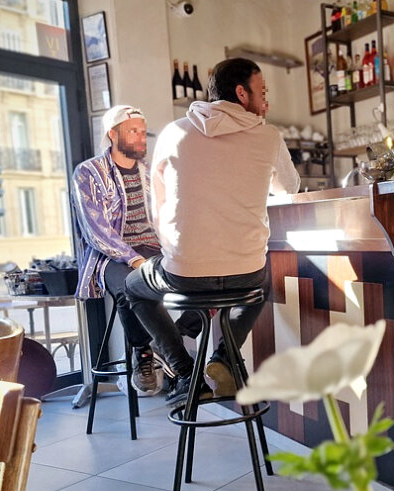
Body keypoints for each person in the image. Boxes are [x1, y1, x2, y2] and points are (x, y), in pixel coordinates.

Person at [126, 58, 300, 407]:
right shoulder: (268, 135)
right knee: (262, 280)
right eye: (262, 92)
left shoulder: (174, 132)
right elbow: (289, 188)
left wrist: (179, 246)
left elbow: (153, 209)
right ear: (241, 92)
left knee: (135, 291)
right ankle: (223, 360)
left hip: (184, 275)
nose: (266, 102)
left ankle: (186, 371)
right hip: (246, 274)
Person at [71, 105, 177, 396]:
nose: (141, 137)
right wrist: (134, 259)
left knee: (199, 278)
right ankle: (144, 353)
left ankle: (170, 344)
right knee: (131, 288)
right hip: (110, 255)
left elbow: (167, 213)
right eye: (133, 131)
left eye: (143, 131)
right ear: (112, 133)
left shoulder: (150, 172)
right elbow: (97, 231)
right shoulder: (88, 173)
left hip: (154, 247)